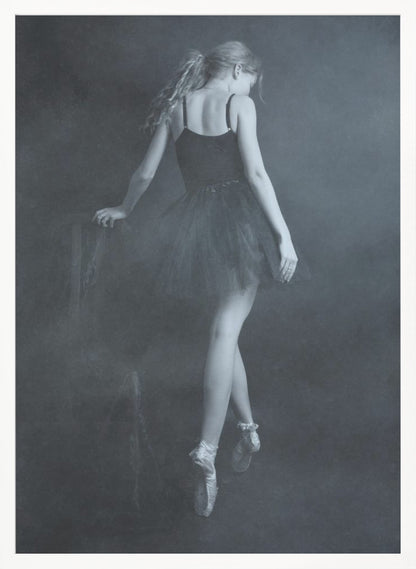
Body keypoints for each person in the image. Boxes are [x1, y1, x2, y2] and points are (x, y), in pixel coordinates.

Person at [92, 41, 309, 518]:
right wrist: (284, 235)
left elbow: (145, 173)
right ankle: (207, 449)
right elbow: (255, 173)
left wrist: (125, 208)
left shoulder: (176, 107)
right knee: (224, 331)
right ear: (237, 70)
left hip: (197, 228)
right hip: (239, 225)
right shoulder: (238, 105)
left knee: (223, 335)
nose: (251, 90)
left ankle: (248, 431)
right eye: (251, 81)